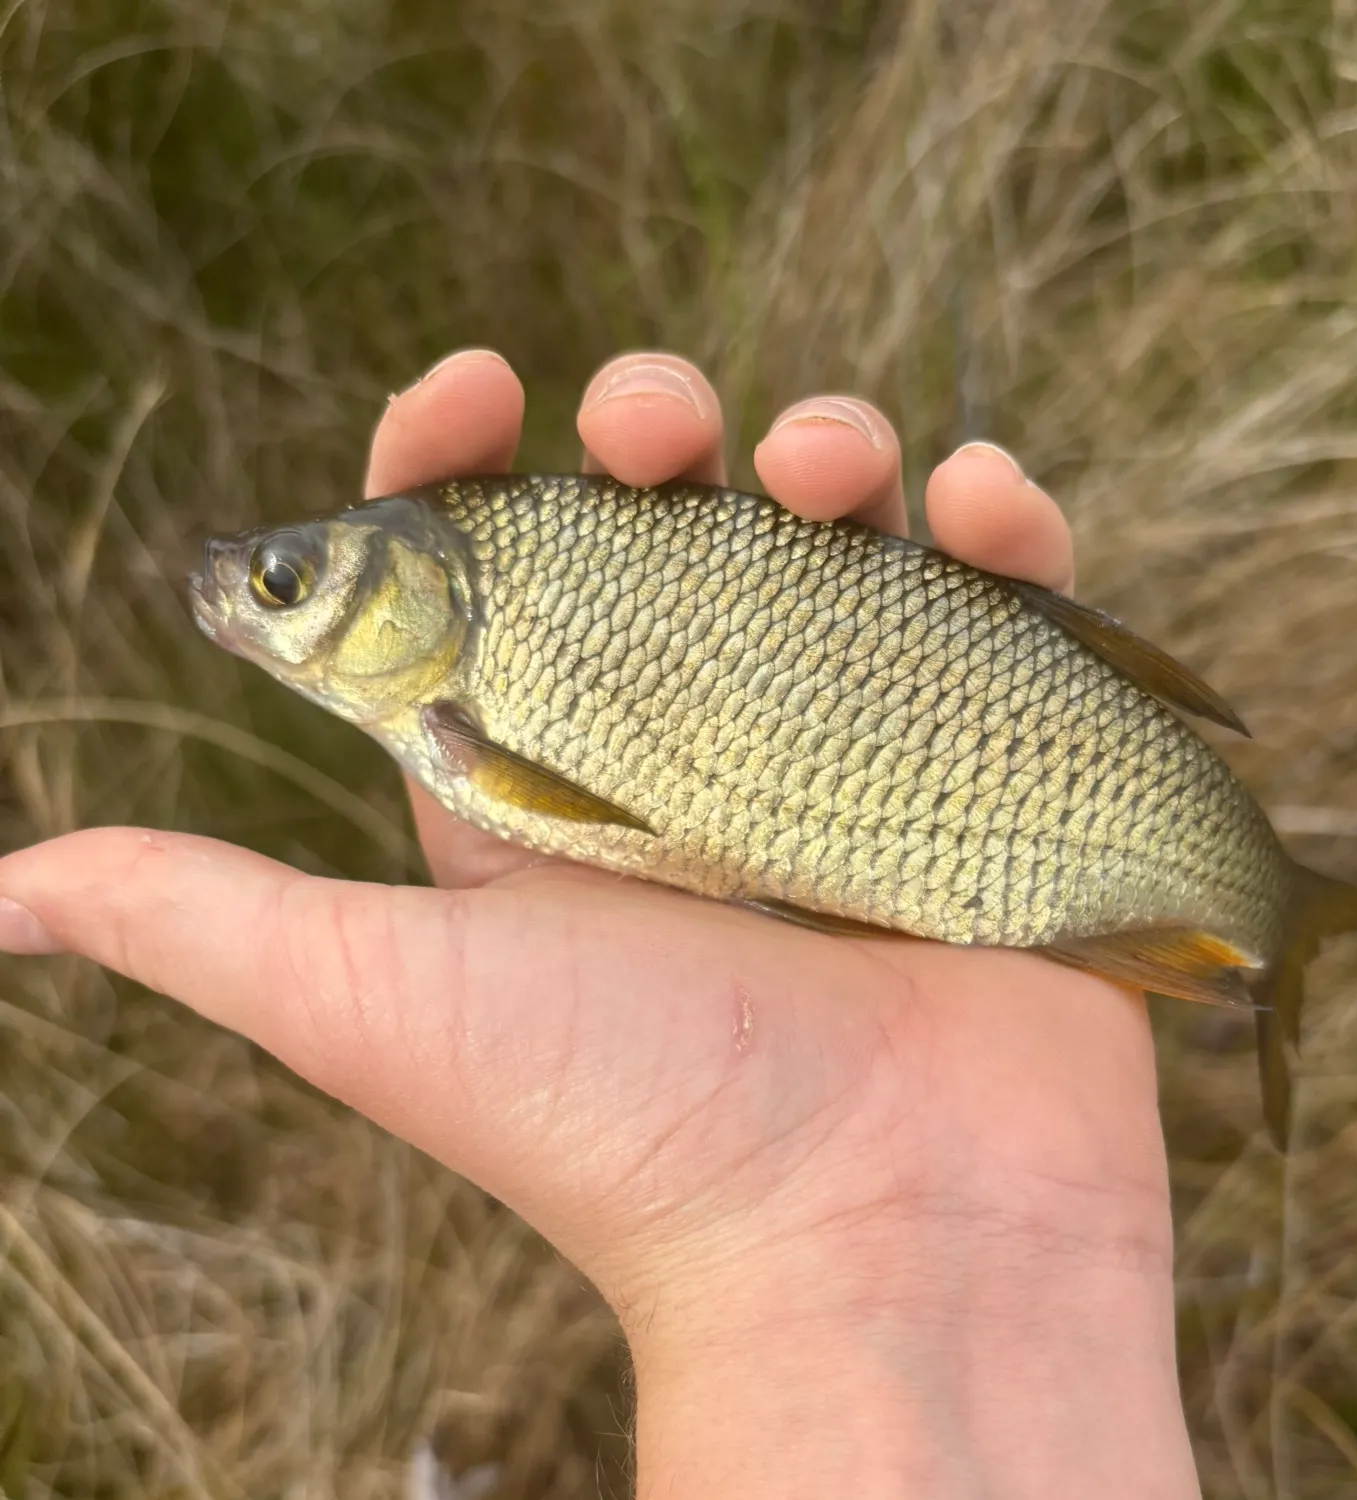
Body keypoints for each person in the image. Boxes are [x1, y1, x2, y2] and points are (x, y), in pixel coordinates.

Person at [0, 349, 1203, 1497]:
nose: (255, 591)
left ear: (422, 597)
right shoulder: (458, 707)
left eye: (286, 581)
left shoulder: (465, 704)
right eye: (284, 579)